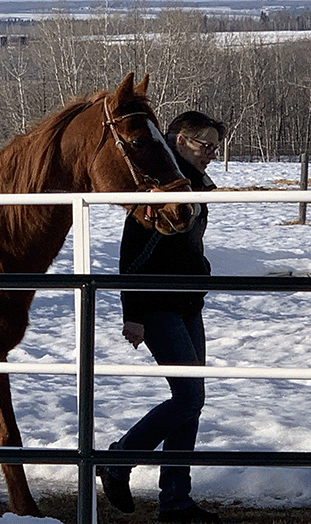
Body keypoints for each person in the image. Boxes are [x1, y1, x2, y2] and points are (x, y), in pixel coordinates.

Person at [97, 111, 226, 524]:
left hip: (187, 303)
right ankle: (118, 460)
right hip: (156, 305)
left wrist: (200, 273)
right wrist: (132, 313)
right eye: (205, 145)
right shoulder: (159, 186)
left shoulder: (194, 185)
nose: (211, 153)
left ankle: (175, 501)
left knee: (192, 403)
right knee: (188, 397)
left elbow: (185, 247)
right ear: (180, 141)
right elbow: (132, 251)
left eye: (215, 147)